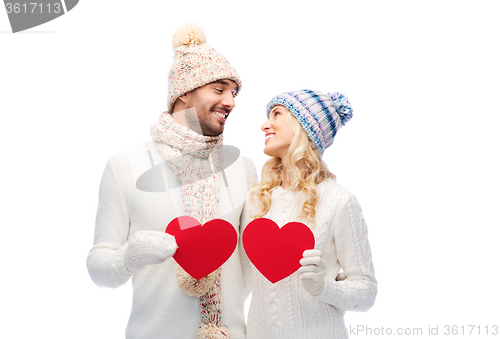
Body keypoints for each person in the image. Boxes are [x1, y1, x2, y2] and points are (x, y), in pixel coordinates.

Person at [87, 23, 257, 339]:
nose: (231, 102)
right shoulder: (125, 166)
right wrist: (128, 257)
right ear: (183, 92)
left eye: (233, 93)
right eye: (219, 90)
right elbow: (98, 268)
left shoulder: (242, 169)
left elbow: (257, 267)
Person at [242, 90, 377, 339]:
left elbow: (366, 293)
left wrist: (323, 287)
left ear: (303, 126)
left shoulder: (339, 200)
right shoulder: (255, 200)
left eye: (276, 114)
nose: (265, 124)